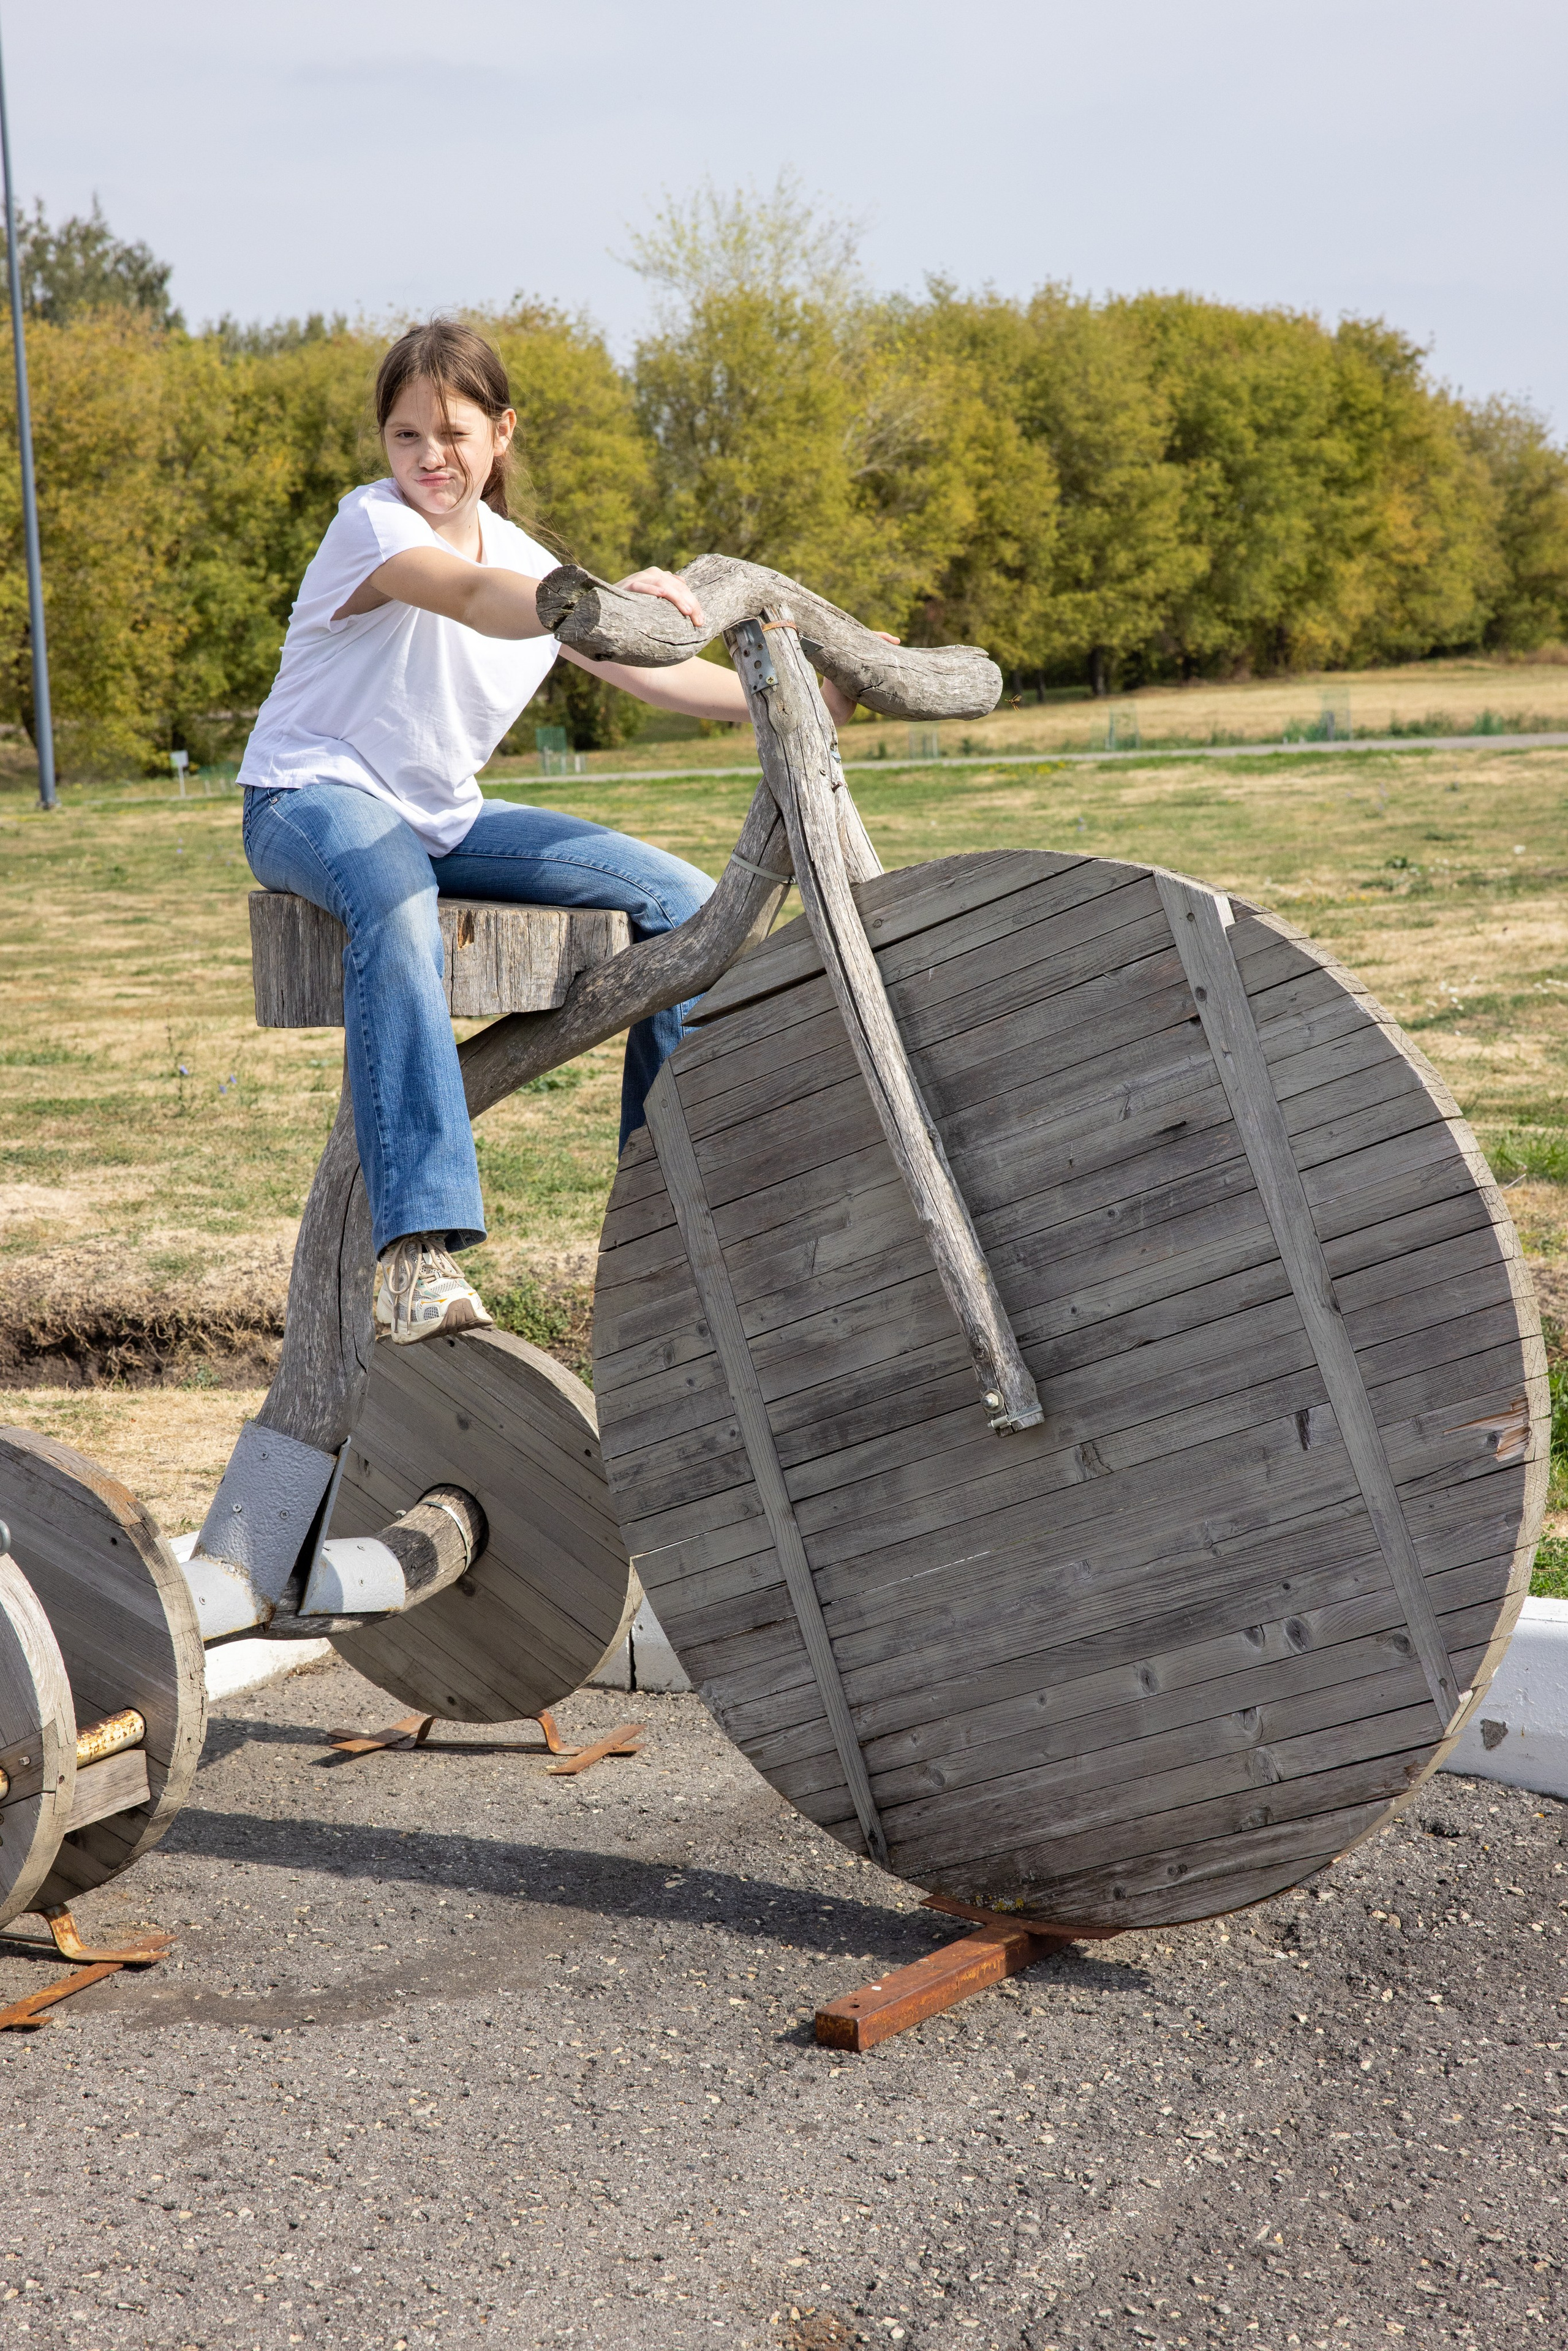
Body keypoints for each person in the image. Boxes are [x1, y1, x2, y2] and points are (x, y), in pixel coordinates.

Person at [239, 318, 864, 1343]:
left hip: (442, 815)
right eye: (405, 435)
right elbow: (470, 595)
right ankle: (415, 1256)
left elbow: (652, 675)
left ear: (502, 432)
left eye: (452, 432)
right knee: (396, 902)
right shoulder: (374, 526)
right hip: (308, 796)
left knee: (689, 907)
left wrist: (806, 697)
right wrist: (584, 600)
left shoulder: (531, 561)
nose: (429, 457)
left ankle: (662, 1215)